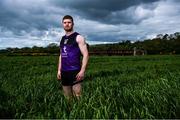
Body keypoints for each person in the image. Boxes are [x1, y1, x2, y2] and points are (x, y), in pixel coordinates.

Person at [57, 15, 89, 100]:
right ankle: (70, 112)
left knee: (78, 95)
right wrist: (59, 70)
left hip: (75, 70)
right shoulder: (62, 39)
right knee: (67, 97)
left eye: (69, 22)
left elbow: (86, 55)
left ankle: (80, 112)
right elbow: (61, 55)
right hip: (64, 71)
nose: (67, 24)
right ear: (62, 24)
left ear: (73, 24)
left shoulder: (78, 37)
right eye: (65, 23)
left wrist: (82, 71)